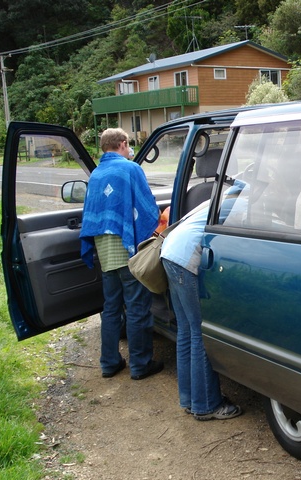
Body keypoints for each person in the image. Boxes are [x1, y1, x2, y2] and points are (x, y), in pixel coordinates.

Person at [80, 127, 164, 380]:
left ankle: (109, 363)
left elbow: (91, 215)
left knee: (111, 309)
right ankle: (140, 365)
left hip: (105, 254)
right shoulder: (130, 169)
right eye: (128, 145)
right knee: (137, 309)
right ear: (123, 144)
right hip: (129, 251)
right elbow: (147, 208)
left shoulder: (96, 174)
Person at [160, 187, 243, 421]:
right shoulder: (243, 204)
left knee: (186, 331)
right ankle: (206, 405)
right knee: (200, 333)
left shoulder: (223, 194)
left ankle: (189, 399)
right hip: (185, 259)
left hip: (169, 253)